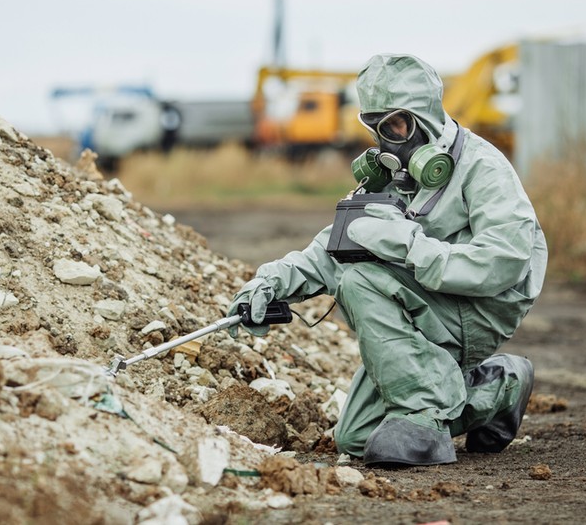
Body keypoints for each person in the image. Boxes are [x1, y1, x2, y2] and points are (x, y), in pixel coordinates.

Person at [227, 53, 548, 466]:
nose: (386, 139)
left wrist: (408, 243)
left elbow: (505, 261)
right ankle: (496, 390)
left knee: (360, 280)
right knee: (357, 437)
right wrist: (271, 281)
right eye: (375, 126)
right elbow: (336, 248)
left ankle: (423, 421)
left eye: (396, 125)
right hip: (426, 304)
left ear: (425, 116)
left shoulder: (483, 168)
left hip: (481, 308)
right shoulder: (392, 177)